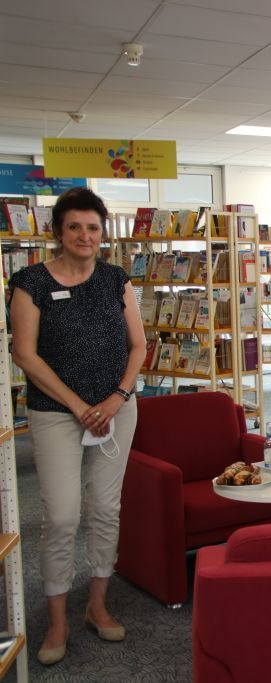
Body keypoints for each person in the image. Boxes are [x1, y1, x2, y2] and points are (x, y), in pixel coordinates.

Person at [9, 187, 146, 665]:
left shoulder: (116, 280)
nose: (85, 236)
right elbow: (23, 353)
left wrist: (115, 398)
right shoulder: (31, 281)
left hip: (116, 410)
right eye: (75, 227)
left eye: (93, 227)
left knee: (107, 509)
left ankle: (98, 606)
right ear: (59, 232)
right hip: (54, 413)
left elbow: (138, 346)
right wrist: (77, 404)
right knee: (62, 516)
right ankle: (58, 620)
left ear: (103, 233)